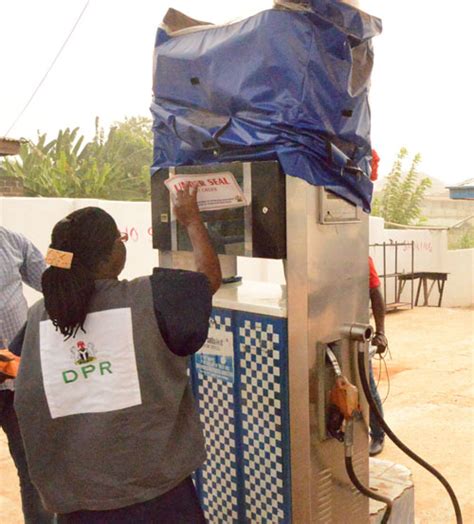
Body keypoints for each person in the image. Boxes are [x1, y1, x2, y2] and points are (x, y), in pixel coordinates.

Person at [11, 184, 221, 523]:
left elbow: (23, 365)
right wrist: (192, 220)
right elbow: (208, 279)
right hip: (156, 499)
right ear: (111, 254)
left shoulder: (40, 315)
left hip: (77, 501)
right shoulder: (151, 297)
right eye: (118, 240)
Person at [0, 226, 54, 523]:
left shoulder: (12, 240)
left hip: (16, 379)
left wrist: (74, 254)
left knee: (33, 470)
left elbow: (50, 276)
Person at [368, 256, 388, 457]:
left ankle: (377, 434)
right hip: (326, 328)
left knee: (367, 385)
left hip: (357, 330)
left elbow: (375, 293)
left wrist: (380, 332)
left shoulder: (362, 259)